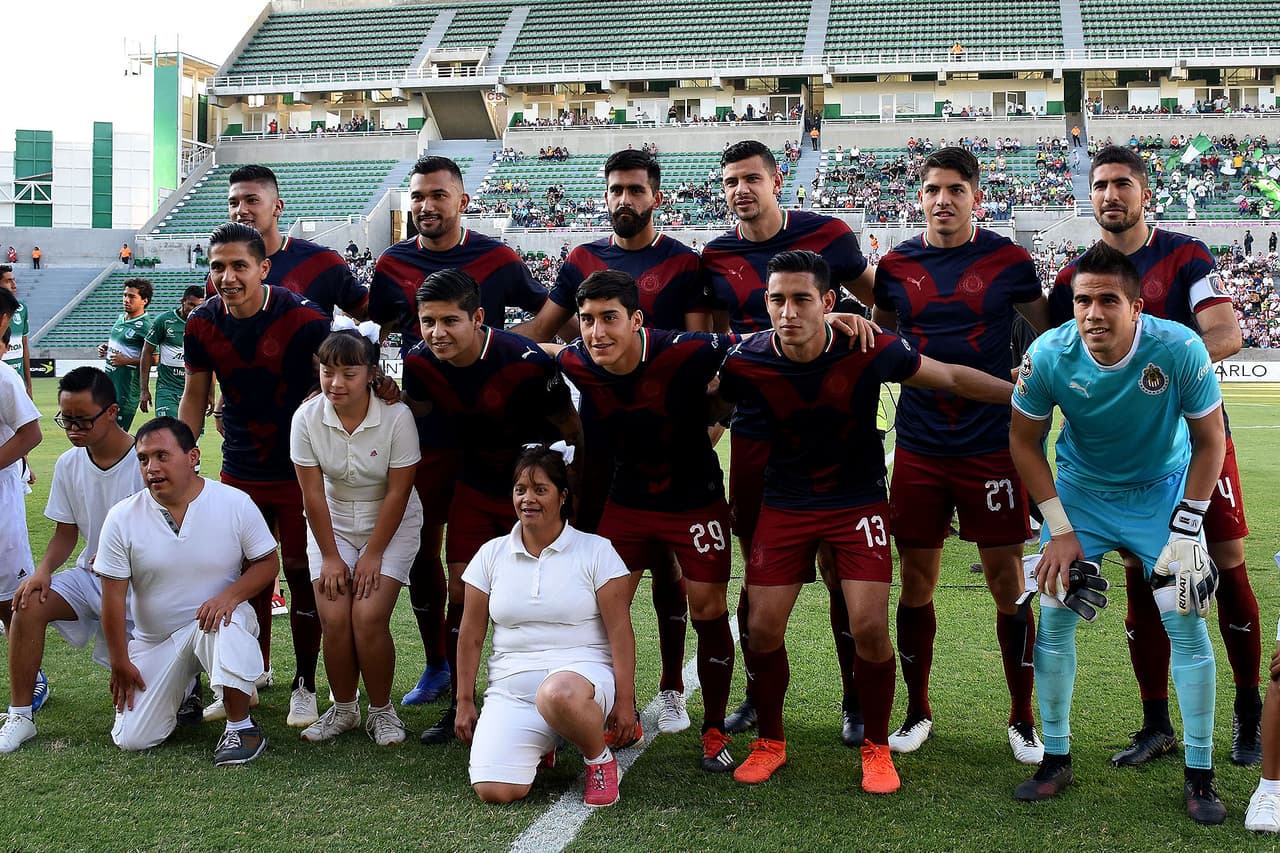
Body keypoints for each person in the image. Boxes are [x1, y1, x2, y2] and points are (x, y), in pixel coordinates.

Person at [712, 250, 1016, 792]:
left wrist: (1021, 394)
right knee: (760, 626)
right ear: (766, 302)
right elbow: (709, 408)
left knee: (870, 626)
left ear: (827, 302)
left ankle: (877, 747)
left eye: (802, 299)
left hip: (856, 504)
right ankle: (771, 741)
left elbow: (947, 377)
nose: (788, 311)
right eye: (777, 299)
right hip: (784, 505)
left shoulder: (867, 345)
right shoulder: (745, 360)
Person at [1049, 145, 1260, 768]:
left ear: (1147, 193)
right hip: (1118, 464)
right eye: (1100, 185)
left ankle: (1249, 714)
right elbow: (1061, 350)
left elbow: (1225, 332)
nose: (1110, 195)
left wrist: (1161, 370)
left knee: (1222, 566)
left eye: (1122, 184)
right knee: (1148, 577)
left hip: (1196, 445)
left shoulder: (1186, 252)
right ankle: (1155, 722)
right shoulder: (1075, 278)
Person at [1011, 243, 1227, 824]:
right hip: (1082, 494)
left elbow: (1210, 441)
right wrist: (1057, 528)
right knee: (1055, 611)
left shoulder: (1178, 346)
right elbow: (1022, 442)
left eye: (1109, 300)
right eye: (1083, 300)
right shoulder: (1048, 353)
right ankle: (1055, 758)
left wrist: (1187, 525)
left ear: (1137, 306)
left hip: (1161, 492)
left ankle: (1200, 776)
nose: (1093, 313)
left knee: (1185, 616)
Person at [518, 149, 713, 719]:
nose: (624, 199)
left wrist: (709, 423)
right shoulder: (581, 257)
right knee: (595, 578)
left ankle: (673, 687)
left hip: (670, 436)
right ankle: (594, 691)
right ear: (604, 198)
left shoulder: (683, 263)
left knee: (670, 569)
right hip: (599, 441)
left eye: (634, 189)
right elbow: (541, 333)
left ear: (656, 196)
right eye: (615, 190)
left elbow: (700, 355)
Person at [871, 147, 1050, 763]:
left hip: (992, 446)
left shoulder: (1009, 260)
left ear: (977, 195)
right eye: (930, 190)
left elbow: (1050, 331)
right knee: (916, 580)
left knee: (1006, 581)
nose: (941, 200)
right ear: (918, 197)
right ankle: (917, 711)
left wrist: (1034, 374)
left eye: (954, 189)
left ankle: (1023, 718)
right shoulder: (895, 265)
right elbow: (882, 337)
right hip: (919, 445)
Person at [702, 139, 876, 745]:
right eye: (730, 181)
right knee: (759, 568)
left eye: (752, 178)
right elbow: (714, 344)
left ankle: (855, 698)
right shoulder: (715, 255)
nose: (741, 190)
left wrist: (857, 324)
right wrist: (718, 417)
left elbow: (885, 305)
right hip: (756, 429)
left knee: (839, 570)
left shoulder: (828, 232)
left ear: (779, 180)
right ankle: (757, 693)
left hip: (832, 425)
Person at [368, 155, 549, 707]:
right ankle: (438, 666)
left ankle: (524, 668)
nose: (426, 206)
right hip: (427, 432)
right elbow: (378, 332)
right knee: (427, 550)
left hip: (497, 437)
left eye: (438, 195)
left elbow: (549, 313)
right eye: (418, 196)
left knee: (516, 554)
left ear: (462, 201)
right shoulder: (392, 263)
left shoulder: (498, 258)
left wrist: (512, 347)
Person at [554, 270, 737, 770]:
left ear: (636, 319)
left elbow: (758, 344)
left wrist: (837, 319)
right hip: (628, 502)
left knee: (706, 605)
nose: (598, 332)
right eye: (587, 320)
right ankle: (618, 711)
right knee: (600, 606)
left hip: (695, 499)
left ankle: (715, 727)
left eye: (610, 318)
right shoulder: (576, 359)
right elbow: (530, 354)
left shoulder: (686, 350)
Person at [402, 268, 581, 746]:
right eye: (427, 321)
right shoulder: (418, 363)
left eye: (449, 321)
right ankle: (465, 701)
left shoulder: (524, 360)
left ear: (478, 318)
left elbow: (569, 426)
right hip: (475, 488)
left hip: (534, 494)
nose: (436, 333)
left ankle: (562, 700)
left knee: (548, 597)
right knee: (464, 594)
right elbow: (414, 413)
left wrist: (570, 493)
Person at [179, 222, 334, 728]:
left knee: (298, 572)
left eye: (238, 265)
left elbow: (335, 382)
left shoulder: (304, 317)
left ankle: (306, 685)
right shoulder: (202, 322)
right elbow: (196, 392)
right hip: (238, 467)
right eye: (217, 266)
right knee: (239, 575)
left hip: (298, 471)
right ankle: (250, 672)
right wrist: (183, 451)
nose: (227, 277)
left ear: (263, 267)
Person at [454, 445, 636, 808]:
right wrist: (463, 700)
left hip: (580, 679)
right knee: (495, 789)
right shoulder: (490, 554)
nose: (528, 499)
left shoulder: (595, 550)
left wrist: (626, 701)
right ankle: (547, 740)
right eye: (520, 489)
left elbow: (620, 631)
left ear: (562, 496)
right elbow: (471, 635)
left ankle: (598, 759)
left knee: (557, 694)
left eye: (540, 489)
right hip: (511, 688)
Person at [97, 418, 278, 766]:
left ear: (193, 456)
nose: (152, 468)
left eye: (162, 455)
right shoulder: (122, 517)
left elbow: (267, 564)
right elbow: (113, 597)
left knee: (223, 622)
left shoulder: (233, 502)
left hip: (215, 623)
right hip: (155, 641)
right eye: (143, 458)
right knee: (134, 739)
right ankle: (186, 689)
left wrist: (230, 596)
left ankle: (241, 727)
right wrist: (120, 661)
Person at [291, 325, 422, 745]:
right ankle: (344, 709)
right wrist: (331, 556)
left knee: (367, 617)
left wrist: (373, 555)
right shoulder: (307, 416)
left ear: (371, 373)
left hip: (391, 519)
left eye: (349, 373)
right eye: (328, 372)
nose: (336, 382)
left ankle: (382, 711)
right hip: (331, 522)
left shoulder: (397, 416)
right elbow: (311, 495)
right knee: (334, 616)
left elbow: (399, 491)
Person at [0, 367, 142, 754]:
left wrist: (122, 553)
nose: (73, 429)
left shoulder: (145, 461)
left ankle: (183, 688)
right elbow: (66, 533)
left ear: (112, 412)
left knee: (140, 729)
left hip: (143, 589)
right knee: (26, 600)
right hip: (90, 578)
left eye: (83, 421)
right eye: (67, 420)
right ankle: (20, 714)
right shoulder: (68, 463)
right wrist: (42, 572)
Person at [220, 164, 369, 320]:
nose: (240, 211)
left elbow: (370, 315)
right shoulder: (222, 274)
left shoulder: (322, 262)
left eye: (252, 200)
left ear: (277, 207)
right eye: (233, 203)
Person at [0, 286, 41, 639]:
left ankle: (31, 679)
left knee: (10, 597)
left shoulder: (3, 376)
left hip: (2, 498)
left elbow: (30, 434)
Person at [139, 286, 205, 418]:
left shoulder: (205, 325)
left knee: (190, 437)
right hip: (167, 389)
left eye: (198, 306)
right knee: (167, 430)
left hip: (194, 391)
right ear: (182, 301)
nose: (194, 309)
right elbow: (146, 352)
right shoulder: (164, 321)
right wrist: (144, 390)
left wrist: (210, 393)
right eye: (191, 304)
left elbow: (209, 361)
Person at [98, 277, 153, 430]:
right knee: (101, 434)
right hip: (109, 384)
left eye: (132, 296)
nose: (126, 299)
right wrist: (107, 347)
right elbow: (123, 345)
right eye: (125, 295)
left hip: (126, 390)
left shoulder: (146, 326)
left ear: (144, 300)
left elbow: (156, 359)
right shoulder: (121, 318)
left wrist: (126, 360)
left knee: (114, 437)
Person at [0, 265, 32, 398]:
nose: (14, 285)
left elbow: (24, 345)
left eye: (14, 280)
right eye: (8, 281)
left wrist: (29, 385)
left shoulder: (22, 308)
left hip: (17, 380)